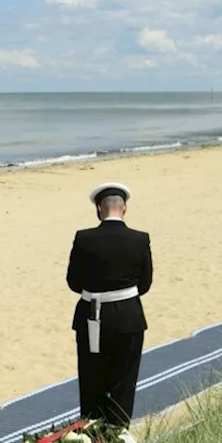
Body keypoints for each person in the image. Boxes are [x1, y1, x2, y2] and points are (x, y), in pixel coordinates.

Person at [65, 183, 153, 429]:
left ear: (99, 209)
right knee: (124, 379)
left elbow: (73, 281)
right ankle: (118, 431)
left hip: (91, 314)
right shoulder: (140, 239)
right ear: (124, 208)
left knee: (92, 377)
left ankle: (91, 433)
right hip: (127, 315)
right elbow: (145, 283)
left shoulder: (84, 238)